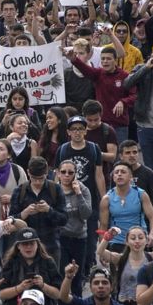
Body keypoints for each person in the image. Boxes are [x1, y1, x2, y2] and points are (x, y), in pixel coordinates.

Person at [54, 115, 105, 275]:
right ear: (68, 132)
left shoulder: (93, 148)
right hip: (66, 199)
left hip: (87, 197)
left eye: (81, 129)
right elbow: (57, 175)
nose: (77, 132)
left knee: (89, 238)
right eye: (74, 129)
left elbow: (99, 174)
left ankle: (86, 270)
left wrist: (104, 198)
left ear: (85, 131)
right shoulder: (62, 149)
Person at [9, 156, 68, 266]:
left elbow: (64, 219)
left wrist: (49, 210)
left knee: (52, 281)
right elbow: (10, 219)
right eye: (33, 178)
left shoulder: (55, 189)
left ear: (47, 174)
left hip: (50, 245)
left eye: (41, 178)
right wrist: (24, 213)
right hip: (25, 247)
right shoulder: (20, 190)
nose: (37, 182)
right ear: (28, 173)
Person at [99, 161, 153, 252]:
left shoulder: (141, 194)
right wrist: (102, 249)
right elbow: (103, 225)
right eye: (116, 172)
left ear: (131, 177)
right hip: (116, 242)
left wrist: (152, 234)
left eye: (123, 172)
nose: (119, 175)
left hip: (138, 240)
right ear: (113, 177)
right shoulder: (107, 198)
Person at [0, 228, 62, 305]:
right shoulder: (11, 263)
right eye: (25, 244)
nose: (28, 247)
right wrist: (20, 288)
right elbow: (1, 294)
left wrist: (43, 285)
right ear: (18, 246)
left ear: (37, 244)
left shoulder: (48, 262)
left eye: (32, 243)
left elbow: (58, 294)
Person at [56, 160, 92, 297]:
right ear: (58, 173)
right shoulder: (54, 190)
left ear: (75, 174)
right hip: (61, 238)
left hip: (79, 238)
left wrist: (78, 194)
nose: (66, 175)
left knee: (77, 278)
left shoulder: (83, 189)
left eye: (70, 172)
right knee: (61, 276)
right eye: (63, 172)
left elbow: (86, 214)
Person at [123, 50, 153, 172]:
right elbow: (127, 84)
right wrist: (146, 68)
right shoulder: (142, 68)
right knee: (149, 166)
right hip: (145, 124)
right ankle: (151, 189)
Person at [97, 226, 153, 305]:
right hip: (124, 303)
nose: (137, 241)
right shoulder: (120, 258)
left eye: (140, 238)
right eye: (133, 238)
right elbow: (100, 252)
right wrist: (107, 237)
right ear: (126, 242)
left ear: (147, 240)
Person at [117, 140, 153, 216]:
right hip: (123, 218)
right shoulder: (116, 173)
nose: (132, 155)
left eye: (135, 152)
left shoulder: (148, 173)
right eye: (128, 153)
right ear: (121, 156)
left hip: (145, 218)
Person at [61, 263, 126, 305]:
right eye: (96, 283)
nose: (100, 286)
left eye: (104, 283)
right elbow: (64, 297)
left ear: (112, 287)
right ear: (91, 288)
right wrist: (68, 277)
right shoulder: (83, 304)